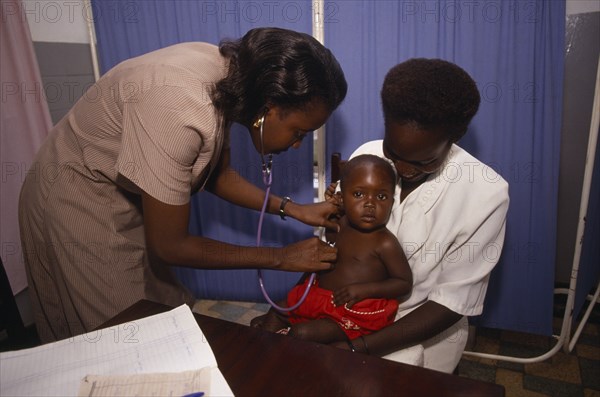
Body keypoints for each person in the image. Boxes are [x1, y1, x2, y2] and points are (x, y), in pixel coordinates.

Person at [18, 27, 347, 342]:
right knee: (119, 329)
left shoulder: (231, 79)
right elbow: (171, 246)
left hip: (123, 192)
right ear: (268, 109)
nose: (297, 145)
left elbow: (218, 175)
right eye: (299, 132)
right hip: (74, 192)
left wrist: (295, 209)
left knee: (164, 305)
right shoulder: (180, 106)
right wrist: (280, 257)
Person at [327, 58, 510, 373]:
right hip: (352, 314)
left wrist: (360, 347)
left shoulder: (486, 193)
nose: (404, 170)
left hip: (425, 335)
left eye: (425, 162)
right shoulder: (366, 157)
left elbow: (452, 302)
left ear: (454, 139)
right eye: (394, 154)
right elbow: (340, 249)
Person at [254, 155, 412, 347]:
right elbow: (329, 240)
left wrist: (365, 290)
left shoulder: (385, 243)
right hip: (317, 297)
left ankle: (289, 365)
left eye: (381, 197)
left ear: (392, 202)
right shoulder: (340, 224)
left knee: (301, 333)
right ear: (342, 198)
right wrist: (334, 209)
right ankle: (262, 354)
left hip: (348, 310)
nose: (370, 204)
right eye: (359, 194)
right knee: (276, 311)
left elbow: (404, 283)